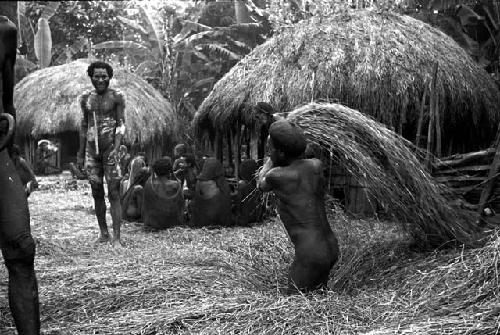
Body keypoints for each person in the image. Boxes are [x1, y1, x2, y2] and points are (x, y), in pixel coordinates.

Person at [258, 119, 340, 293]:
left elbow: (261, 184)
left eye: (269, 148)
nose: (268, 151)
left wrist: (271, 159)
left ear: (279, 152)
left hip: (311, 252)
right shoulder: (316, 165)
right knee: (317, 296)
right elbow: (299, 158)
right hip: (330, 245)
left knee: (294, 303)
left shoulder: (277, 175)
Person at [0, 15, 40, 334]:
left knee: (21, 247)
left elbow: (7, 102)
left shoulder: (5, 33)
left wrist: (12, 153)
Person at [77, 61, 126, 247]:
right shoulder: (85, 99)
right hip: (91, 151)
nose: (100, 80)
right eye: (96, 76)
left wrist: (116, 147)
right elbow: (83, 126)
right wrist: (81, 153)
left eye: (104, 76)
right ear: (91, 77)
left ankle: (117, 238)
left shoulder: (117, 97)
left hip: (110, 150)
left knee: (113, 192)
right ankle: (104, 233)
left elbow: (121, 124)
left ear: (109, 77)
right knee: (96, 191)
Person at [191, 157, 234, 227]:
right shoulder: (221, 182)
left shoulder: (199, 182)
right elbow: (227, 200)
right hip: (218, 221)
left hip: (202, 221)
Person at [143, 157, 184, 229]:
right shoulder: (176, 184)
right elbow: (181, 205)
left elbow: (145, 206)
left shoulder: (148, 184)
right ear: (169, 171)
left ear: (155, 171)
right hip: (172, 224)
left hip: (153, 223)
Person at [234, 158, 262, 226]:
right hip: (257, 217)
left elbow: (238, 202)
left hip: (245, 219)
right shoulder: (258, 184)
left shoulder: (242, 184)